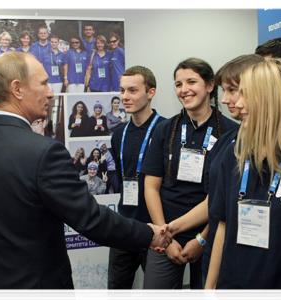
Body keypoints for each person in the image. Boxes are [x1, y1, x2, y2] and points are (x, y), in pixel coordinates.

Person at [0, 51, 172, 300]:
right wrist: (149, 233)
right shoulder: (43, 152)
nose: (50, 92)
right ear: (17, 88)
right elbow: (90, 219)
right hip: (39, 290)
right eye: (44, 83)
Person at [204, 59, 281, 300]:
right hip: (228, 292)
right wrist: (210, 290)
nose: (238, 104)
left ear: (272, 100)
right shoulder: (236, 154)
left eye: (246, 95)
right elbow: (222, 223)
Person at [141, 58, 238, 300]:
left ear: (209, 85)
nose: (184, 90)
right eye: (178, 84)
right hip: (167, 233)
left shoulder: (230, 132)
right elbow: (151, 188)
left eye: (191, 81)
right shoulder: (166, 129)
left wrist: (202, 239)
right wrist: (164, 237)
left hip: (211, 233)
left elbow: (224, 196)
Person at [168, 54, 265, 294]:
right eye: (225, 91)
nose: (225, 100)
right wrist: (170, 230)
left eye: (233, 90)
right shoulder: (226, 143)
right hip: (225, 258)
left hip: (260, 266)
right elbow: (217, 206)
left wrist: (198, 239)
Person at [107, 65, 166, 300]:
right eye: (122, 91)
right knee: (117, 293)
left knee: (157, 294)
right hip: (125, 226)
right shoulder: (118, 134)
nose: (125, 97)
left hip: (156, 227)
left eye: (133, 90)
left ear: (150, 92)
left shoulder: (167, 130)